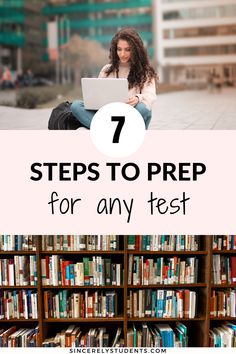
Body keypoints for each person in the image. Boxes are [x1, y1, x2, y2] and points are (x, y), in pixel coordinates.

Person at [71, 28, 158, 129]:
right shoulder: (107, 70)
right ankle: (114, 130)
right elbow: (97, 94)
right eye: (119, 49)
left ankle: (108, 130)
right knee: (76, 106)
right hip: (109, 115)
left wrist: (138, 98)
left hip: (131, 116)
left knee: (143, 108)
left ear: (136, 50)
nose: (122, 54)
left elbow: (150, 96)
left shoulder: (145, 72)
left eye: (127, 49)